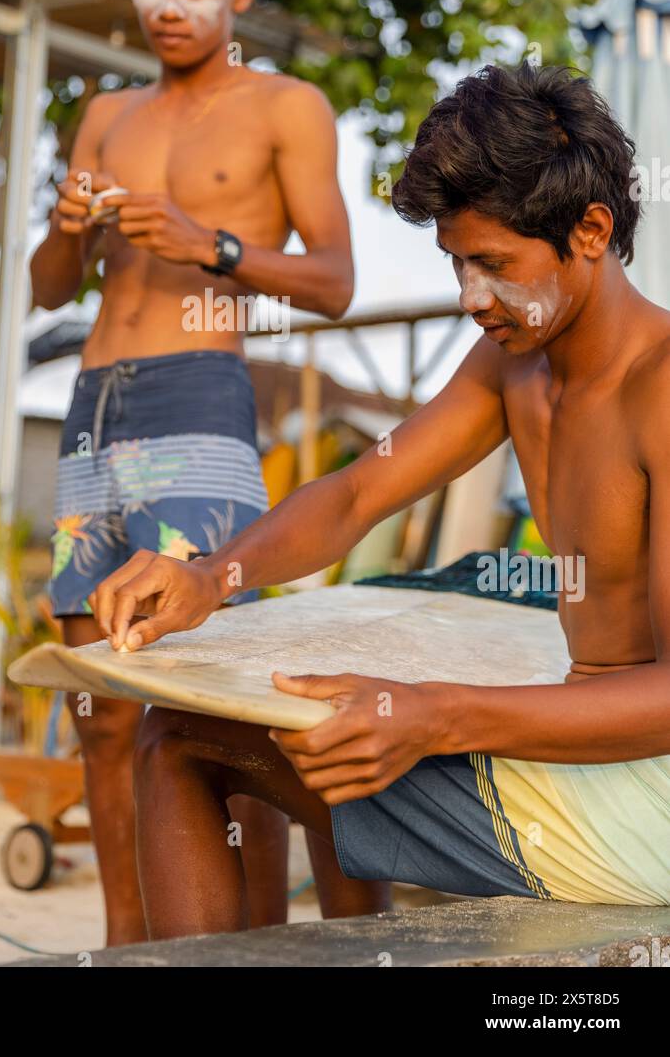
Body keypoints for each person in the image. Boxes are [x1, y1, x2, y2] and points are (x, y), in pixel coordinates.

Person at [91, 62, 670, 935]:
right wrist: (213, 575)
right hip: (582, 767)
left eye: (494, 264)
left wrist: (435, 714)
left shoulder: (659, 389)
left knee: (183, 739)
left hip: (644, 806)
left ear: (589, 230)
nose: (472, 298)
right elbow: (361, 492)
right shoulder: (515, 361)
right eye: (456, 264)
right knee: (324, 724)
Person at [30, 0, 386, 944]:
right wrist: (60, 230)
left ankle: (254, 950)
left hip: (199, 396)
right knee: (98, 702)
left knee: (211, 703)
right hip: (95, 406)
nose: (167, 6)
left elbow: (334, 280)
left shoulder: (287, 108)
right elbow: (54, 286)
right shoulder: (106, 115)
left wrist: (214, 246)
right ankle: (127, 949)